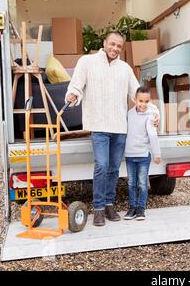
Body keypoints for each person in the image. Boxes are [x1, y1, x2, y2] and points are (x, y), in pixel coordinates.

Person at [65, 32, 159, 226]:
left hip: (119, 127)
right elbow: (76, 86)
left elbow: (137, 94)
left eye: (119, 46)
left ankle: (109, 205)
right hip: (98, 125)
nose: (115, 48)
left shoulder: (125, 68)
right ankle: (98, 209)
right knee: (101, 166)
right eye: (112, 44)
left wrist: (154, 112)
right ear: (104, 43)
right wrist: (72, 95)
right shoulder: (87, 62)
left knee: (114, 169)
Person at [123, 86, 161, 221]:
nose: (143, 104)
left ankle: (141, 209)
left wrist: (157, 153)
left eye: (146, 101)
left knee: (142, 183)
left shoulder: (151, 116)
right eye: (140, 101)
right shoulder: (129, 114)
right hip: (130, 155)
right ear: (135, 100)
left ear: (149, 101)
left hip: (143, 155)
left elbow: (152, 134)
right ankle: (132, 208)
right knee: (131, 183)